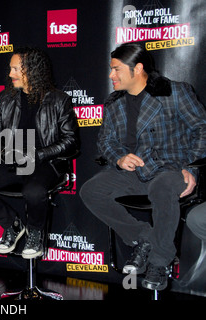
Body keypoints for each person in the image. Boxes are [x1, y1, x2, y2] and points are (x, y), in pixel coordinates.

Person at [80, 43, 206, 290]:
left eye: (116, 69)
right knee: (90, 191)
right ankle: (144, 238)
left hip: (171, 169)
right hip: (134, 173)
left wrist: (191, 168)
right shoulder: (114, 103)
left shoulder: (175, 92)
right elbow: (105, 140)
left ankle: (160, 261)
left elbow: (202, 128)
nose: (111, 75)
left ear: (137, 68)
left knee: (161, 189)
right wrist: (118, 158)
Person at [0, 47, 79, 259]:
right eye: (11, 69)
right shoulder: (6, 98)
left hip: (47, 163)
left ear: (33, 70)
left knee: (33, 191)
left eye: (16, 69)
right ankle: (13, 225)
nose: (10, 74)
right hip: (14, 161)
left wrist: (38, 155)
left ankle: (35, 232)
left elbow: (71, 143)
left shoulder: (58, 100)